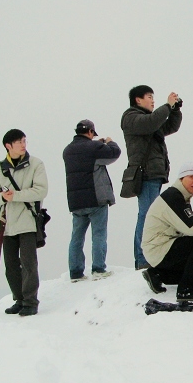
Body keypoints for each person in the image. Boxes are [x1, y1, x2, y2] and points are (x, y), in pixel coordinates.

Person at [141, 162, 193, 302]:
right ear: (181, 178)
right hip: (159, 249)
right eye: (191, 177)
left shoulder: (181, 197)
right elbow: (192, 228)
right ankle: (186, 291)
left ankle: (157, 275)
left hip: (164, 249)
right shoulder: (173, 196)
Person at [0, 129, 48, 317]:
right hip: (7, 224)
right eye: (19, 142)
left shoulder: (36, 164)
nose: (23, 145)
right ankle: (19, 299)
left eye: (24, 141)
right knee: (11, 266)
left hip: (28, 221)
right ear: (8, 146)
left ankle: (30, 302)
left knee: (29, 264)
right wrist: (2, 197)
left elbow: (41, 190)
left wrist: (15, 196)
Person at [121, 85, 183, 270]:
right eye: (149, 97)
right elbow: (151, 122)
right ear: (138, 100)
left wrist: (175, 110)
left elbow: (170, 126)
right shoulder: (131, 117)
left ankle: (145, 257)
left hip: (154, 174)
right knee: (147, 215)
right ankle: (142, 258)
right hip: (145, 173)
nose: (152, 100)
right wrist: (167, 105)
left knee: (150, 215)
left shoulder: (148, 120)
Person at [63, 119, 122, 282]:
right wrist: (110, 142)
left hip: (76, 201)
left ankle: (75, 271)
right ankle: (98, 268)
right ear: (90, 132)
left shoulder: (67, 151)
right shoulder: (94, 147)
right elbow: (114, 153)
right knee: (99, 234)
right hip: (96, 198)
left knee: (77, 236)